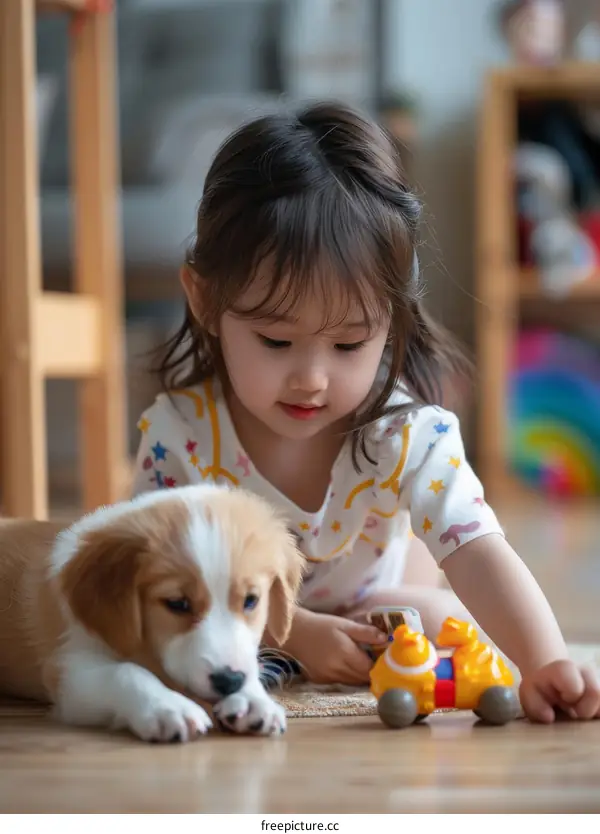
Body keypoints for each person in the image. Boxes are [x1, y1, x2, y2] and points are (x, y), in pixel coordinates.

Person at [131, 101, 599, 722]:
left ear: (393, 319)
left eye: (350, 344)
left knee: (442, 619)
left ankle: (414, 562)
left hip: (377, 603)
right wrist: (292, 633)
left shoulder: (404, 430)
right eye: (276, 341)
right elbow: (155, 585)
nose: (311, 379)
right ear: (207, 301)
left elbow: (481, 550)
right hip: (234, 624)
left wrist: (544, 662)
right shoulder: (179, 437)